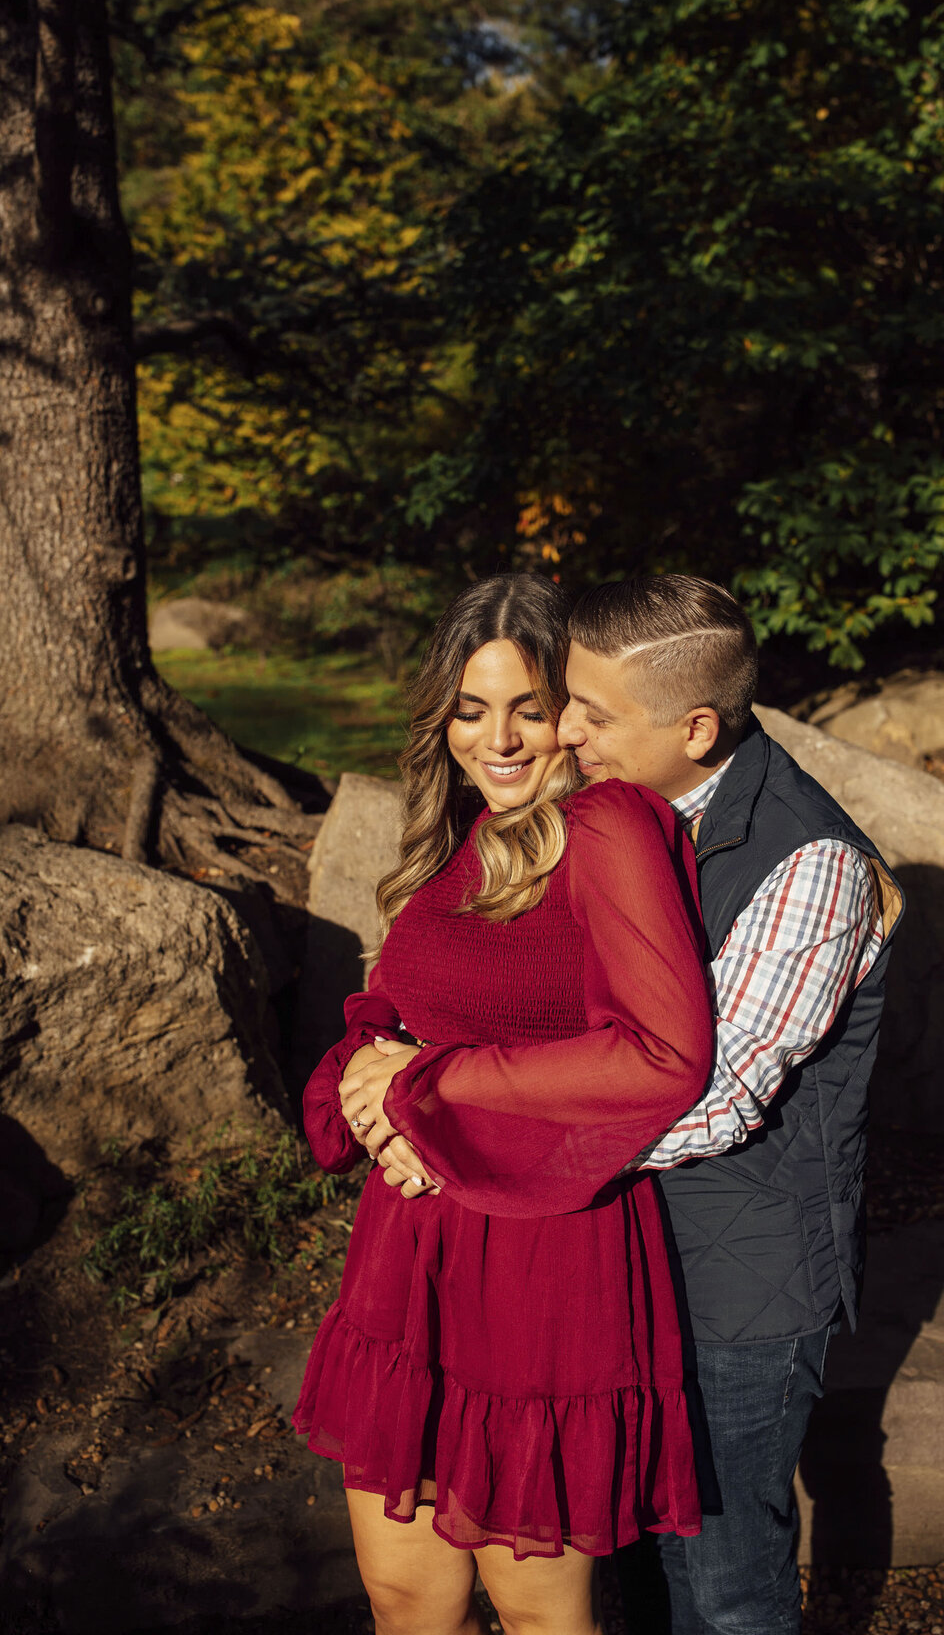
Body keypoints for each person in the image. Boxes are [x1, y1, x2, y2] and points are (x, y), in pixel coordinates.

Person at [377, 574, 904, 1633]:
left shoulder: (810, 866)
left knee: (718, 1580)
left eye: (589, 713)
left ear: (695, 725)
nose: (562, 731)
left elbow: (710, 1097)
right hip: (602, 1250)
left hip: (735, 1281)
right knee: (614, 1569)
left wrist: (445, 1120)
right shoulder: (606, 810)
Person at [294, 572, 715, 1635]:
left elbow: (662, 1053)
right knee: (404, 1597)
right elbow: (398, 1004)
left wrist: (427, 1089)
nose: (502, 741)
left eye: (530, 708)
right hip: (411, 1248)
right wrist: (367, 1075)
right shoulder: (457, 836)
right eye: (473, 711)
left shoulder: (610, 826)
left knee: (534, 1610)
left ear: (570, 715)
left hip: (539, 1259)